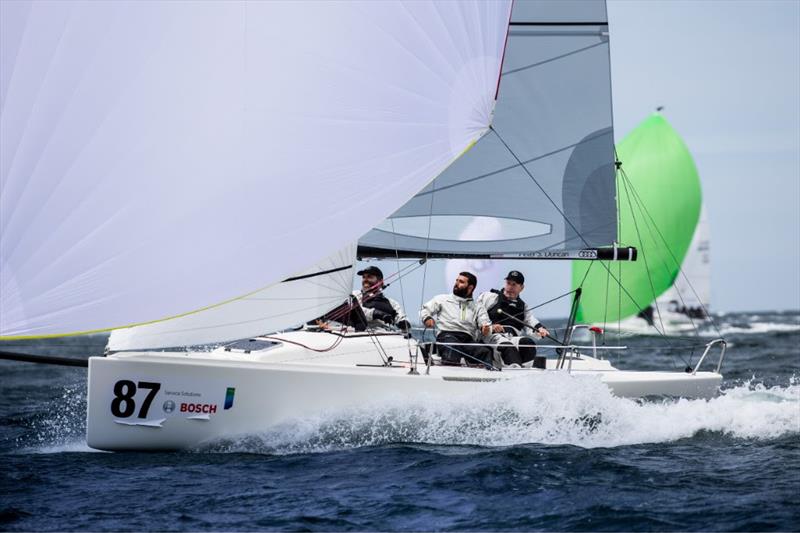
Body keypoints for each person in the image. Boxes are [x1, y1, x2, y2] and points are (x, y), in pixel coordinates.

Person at [477, 270, 549, 368]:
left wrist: (540, 329)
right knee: (508, 347)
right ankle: (516, 375)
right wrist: (490, 327)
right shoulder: (490, 297)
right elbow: (479, 314)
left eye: (514, 284)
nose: (510, 287)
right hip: (491, 338)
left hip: (511, 338)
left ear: (521, 288)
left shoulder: (523, 306)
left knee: (527, 344)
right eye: (508, 283)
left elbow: (530, 321)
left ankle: (525, 372)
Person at [420, 272, 493, 368]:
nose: (456, 284)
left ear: (470, 287)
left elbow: (485, 323)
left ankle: (487, 379)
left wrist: (486, 329)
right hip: (447, 336)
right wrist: (427, 318)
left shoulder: (478, 307)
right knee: (452, 348)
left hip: (467, 340)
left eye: (461, 282)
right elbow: (424, 310)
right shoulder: (442, 299)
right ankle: (450, 378)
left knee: (484, 352)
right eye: (457, 280)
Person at [353, 266, 411, 332]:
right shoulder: (356, 295)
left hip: (385, 335)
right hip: (359, 333)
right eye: (364, 277)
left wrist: (404, 323)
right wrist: (376, 313)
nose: (365, 280)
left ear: (380, 282)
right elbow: (355, 311)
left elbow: (400, 316)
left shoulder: (391, 302)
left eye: (369, 277)